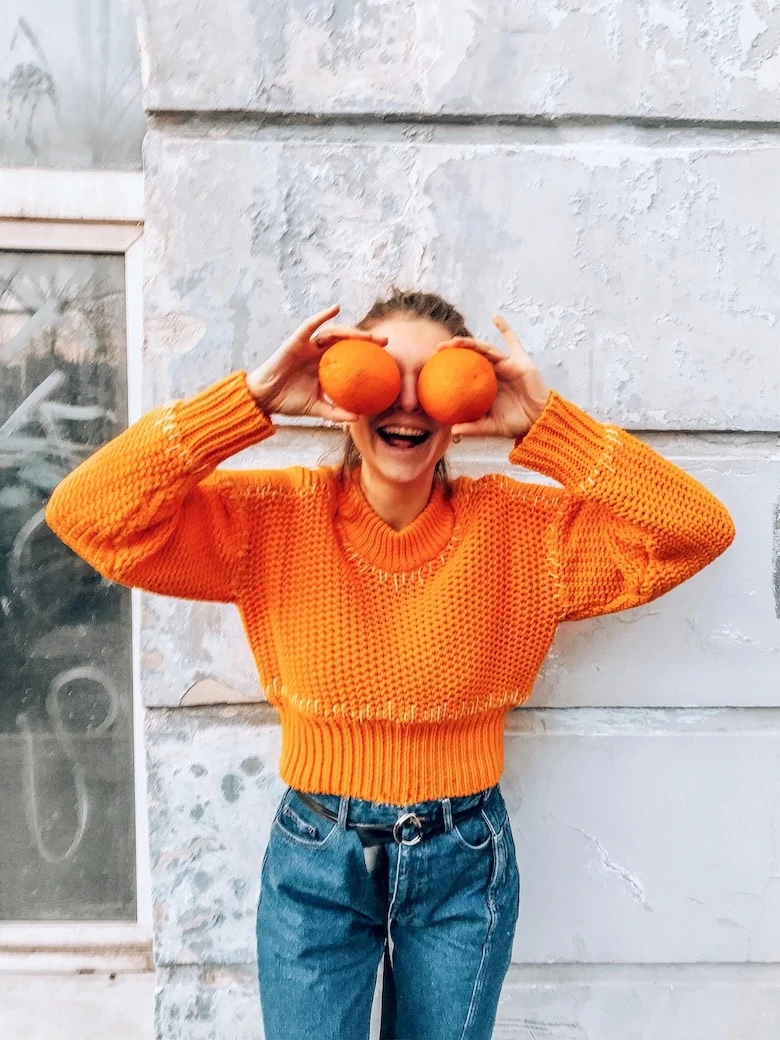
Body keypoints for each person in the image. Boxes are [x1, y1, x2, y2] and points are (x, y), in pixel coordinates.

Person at [44, 289, 735, 1040]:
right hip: (316, 855)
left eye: (433, 380)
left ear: (461, 403)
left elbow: (696, 530)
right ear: (344, 387)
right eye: (383, 374)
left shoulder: (521, 533)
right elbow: (86, 514)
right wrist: (255, 400)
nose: (406, 402)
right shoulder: (271, 520)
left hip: (464, 855)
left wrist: (548, 427)